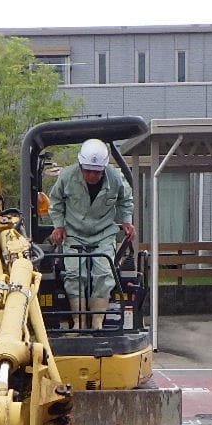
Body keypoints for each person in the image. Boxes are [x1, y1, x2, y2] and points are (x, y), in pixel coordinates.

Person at [48, 138, 137, 328]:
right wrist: (58, 225)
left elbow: (126, 200)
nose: (92, 175)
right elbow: (55, 202)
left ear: (104, 168)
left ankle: (97, 322)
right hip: (73, 232)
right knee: (74, 274)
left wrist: (126, 222)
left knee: (104, 273)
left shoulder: (115, 178)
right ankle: (78, 322)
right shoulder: (66, 177)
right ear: (80, 166)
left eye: (97, 172)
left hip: (104, 232)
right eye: (87, 170)